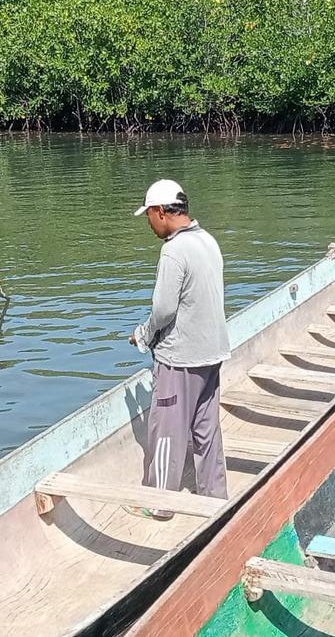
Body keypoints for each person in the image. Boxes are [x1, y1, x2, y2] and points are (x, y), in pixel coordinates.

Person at [128, 179, 230, 520]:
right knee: (207, 431)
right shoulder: (208, 241)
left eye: (149, 216)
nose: (149, 224)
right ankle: (215, 498)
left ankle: (160, 502)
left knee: (167, 431)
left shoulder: (173, 250)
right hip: (212, 352)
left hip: (181, 357)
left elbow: (164, 310)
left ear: (160, 212)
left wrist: (143, 335)